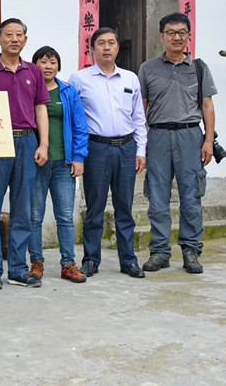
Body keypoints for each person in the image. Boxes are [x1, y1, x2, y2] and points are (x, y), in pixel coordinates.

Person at [138, 13, 217, 274]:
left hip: (190, 136)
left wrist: (208, 141)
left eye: (182, 32)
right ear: (162, 37)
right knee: (157, 198)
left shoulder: (199, 68)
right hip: (158, 136)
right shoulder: (148, 69)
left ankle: (191, 251)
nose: (176, 37)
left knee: (191, 196)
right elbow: (141, 108)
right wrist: (141, 144)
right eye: (171, 32)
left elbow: (207, 105)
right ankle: (160, 252)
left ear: (188, 36)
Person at [0, 18, 49, 289]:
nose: (14, 39)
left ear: (25, 41)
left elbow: (40, 108)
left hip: (27, 142)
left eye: (19, 35)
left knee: (22, 210)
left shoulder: (34, 71)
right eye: (8, 35)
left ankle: (17, 269)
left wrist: (43, 144)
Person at [69, 27, 147, 279]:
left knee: (125, 207)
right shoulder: (79, 79)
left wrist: (140, 150)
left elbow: (138, 117)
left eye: (111, 43)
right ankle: (91, 260)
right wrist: (77, 154)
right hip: (96, 148)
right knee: (95, 207)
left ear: (117, 47)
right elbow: (74, 119)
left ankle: (128, 260)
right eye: (100, 43)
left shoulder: (130, 79)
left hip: (126, 148)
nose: (106, 47)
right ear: (92, 49)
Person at [28, 46, 89, 283]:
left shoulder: (68, 92)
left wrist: (79, 157)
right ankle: (36, 262)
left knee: (65, 217)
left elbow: (80, 126)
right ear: (34, 65)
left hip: (64, 163)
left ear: (59, 66)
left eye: (52, 62)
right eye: (43, 62)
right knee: (35, 217)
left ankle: (68, 264)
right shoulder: (29, 90)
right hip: (36, 163)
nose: (48, 66)